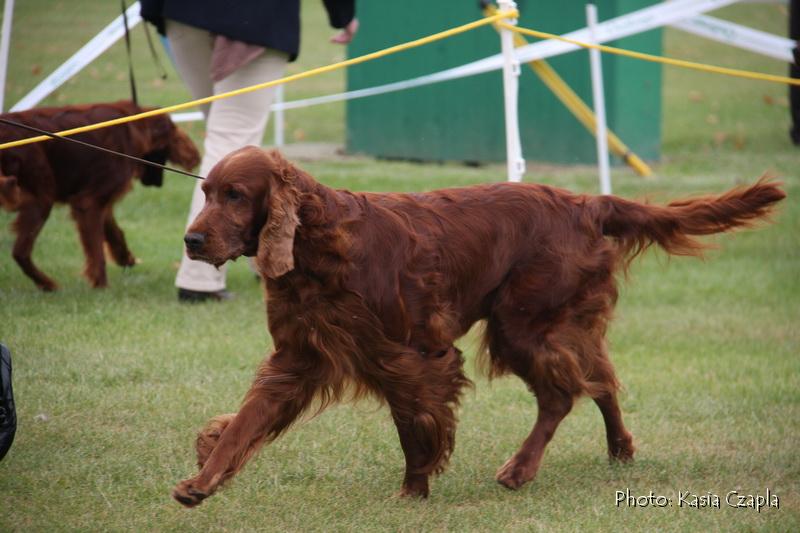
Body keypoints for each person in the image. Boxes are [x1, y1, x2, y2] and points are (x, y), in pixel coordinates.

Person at [140, 0, 358, 302]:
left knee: (228, 134)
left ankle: (265, 254)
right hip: (253, 15)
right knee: (230, 136)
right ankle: (200, 280)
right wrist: (342, 14)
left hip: (181, 12)